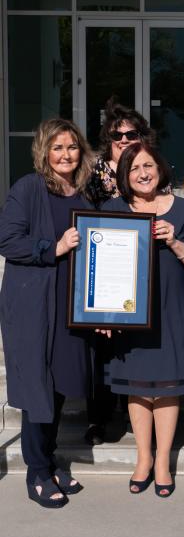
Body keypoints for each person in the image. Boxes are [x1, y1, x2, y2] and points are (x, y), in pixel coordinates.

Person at [102, 142, 184, 498]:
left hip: (172, 309)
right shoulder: (113, 210)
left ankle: (163, 460)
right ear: (125, 175)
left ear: (160, 169)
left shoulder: (182, 210)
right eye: (134, 168)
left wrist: (176, 243)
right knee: (137, 386)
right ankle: (143, 458)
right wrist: (100, 311)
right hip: (130, 314)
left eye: (148, 165)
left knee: (166, 386)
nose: (143, 173)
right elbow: (99, 267)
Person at [0, 118, 94, 508]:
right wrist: (51, 248)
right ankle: (37, 472)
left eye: (71, 147)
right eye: (57, 147)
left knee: (57, 387)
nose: (65, 154)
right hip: (35, 304)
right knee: (38, 387)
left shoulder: (84, 195)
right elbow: (7, 240)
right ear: (44, 151)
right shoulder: (29, 188)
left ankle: (50, 458)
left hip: (69, 305)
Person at [85, 100, 170, 446]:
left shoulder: (149, 166)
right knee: (105, 347)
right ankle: (100, 418)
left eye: (130, 133)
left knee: (133, 348)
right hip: (109, 266)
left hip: (143, 269)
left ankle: (137, 413)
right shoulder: (95, 174)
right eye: (116, 134)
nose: (123, 139)